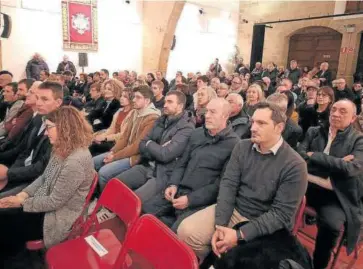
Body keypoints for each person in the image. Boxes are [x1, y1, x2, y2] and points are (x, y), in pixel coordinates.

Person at [176, 102, 307, 262]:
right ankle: (212, 259)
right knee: (185, 231)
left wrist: (239, 235)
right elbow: (228, 185)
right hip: (233, 209)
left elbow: (279, 215)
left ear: (279, 128)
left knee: (237, 260)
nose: (253, 128)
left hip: (260, 223)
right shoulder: (242, 147)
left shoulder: (295, 165)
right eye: (253, 122)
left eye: (261, 123)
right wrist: (221, 225)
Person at [0, 106, 94, 261]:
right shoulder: (61, 149)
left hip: (55, 218)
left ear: (64, 128)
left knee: (5, 220)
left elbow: (54, 202)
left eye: (49, 128)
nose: (45, 132)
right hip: (45, 203)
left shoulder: (75, 161)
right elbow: (45, 177)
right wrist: (23, 195)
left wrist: (22, 202)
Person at [142, 98, 239, 232]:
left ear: (225, 116)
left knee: (175, 231)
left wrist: (190, 200)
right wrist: (173, 184)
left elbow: (221, 184)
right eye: (207, 111)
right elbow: (182, 163)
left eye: (213, 112)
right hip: (178, 191)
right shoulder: (197, 133)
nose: (207, 116)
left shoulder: (234, 145)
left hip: (199, 201)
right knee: (146, 210)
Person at [297, 99, 363, 269]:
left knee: (331, 225)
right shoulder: (314, 131)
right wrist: (336, 164)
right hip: (307, 184)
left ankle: (318, 264)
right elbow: (299, 156)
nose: (335, 114)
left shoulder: (358, 140)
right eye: (333, 109)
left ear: (353, 118)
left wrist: (315, 156)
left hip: (335, 195)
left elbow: (352, 169)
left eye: (342, 112)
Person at [116, 91, 195, 203]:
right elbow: (142, 144)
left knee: (132, 201)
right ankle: (108, 213)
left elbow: (165, 155)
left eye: (170, 102)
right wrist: (155, 147)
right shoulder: (161, 120)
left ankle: (122, 218)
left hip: (163, 173)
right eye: (165, 101)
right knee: (116, 183)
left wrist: (150, 144)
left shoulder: (186, 127)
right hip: (147, 164)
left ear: (180, 106)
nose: (165, 105)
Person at [0, 82, 63, 197]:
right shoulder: (38, 118)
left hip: (38, 184)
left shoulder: (60, 129)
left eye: (44, 99)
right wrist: (12, 172)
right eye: (38, 98)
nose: (38, 103)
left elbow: (42, 168)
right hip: (23, 171)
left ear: (58, 102)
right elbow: (24, 150)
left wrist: (9, 173)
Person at [93, 85, 160, 190]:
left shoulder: (152, 118)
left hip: (136, 157)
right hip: (125, 151)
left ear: (147, 101)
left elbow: (137, 146)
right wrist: (113, 152)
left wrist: (114, 157)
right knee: (93, 162)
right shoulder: (135, 112)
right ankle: (94, 192)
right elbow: (124, 137)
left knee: (103, 173)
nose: (133, 100)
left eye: (138, 97)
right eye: (134, 97)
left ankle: (107, 203)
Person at [89, 88, 133, 156]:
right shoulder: (119, 111)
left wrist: (105, 138)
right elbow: (111, 129)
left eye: (125, 97)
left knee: (93, 147)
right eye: (121, 96)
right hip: (111, 139)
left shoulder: (132, 114)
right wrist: (101, 137)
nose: (121, 98)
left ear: (131, 99)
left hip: (119, 143)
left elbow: (123, 135)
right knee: (91, 142)